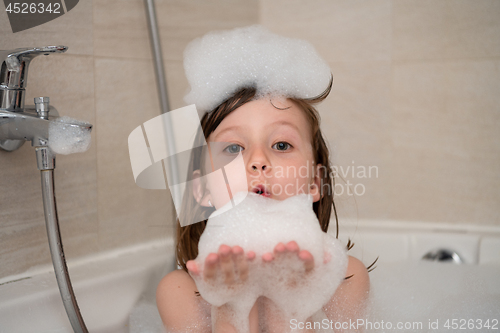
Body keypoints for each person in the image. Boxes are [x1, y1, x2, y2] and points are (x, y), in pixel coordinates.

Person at [156, 26, 371, 332]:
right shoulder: (180, 291)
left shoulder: (345, 278)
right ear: (202, 189)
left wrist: (292, 301)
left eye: (281, 145)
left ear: (315, 183)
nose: (258, 161)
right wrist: (230, 304)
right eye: (233, 148)